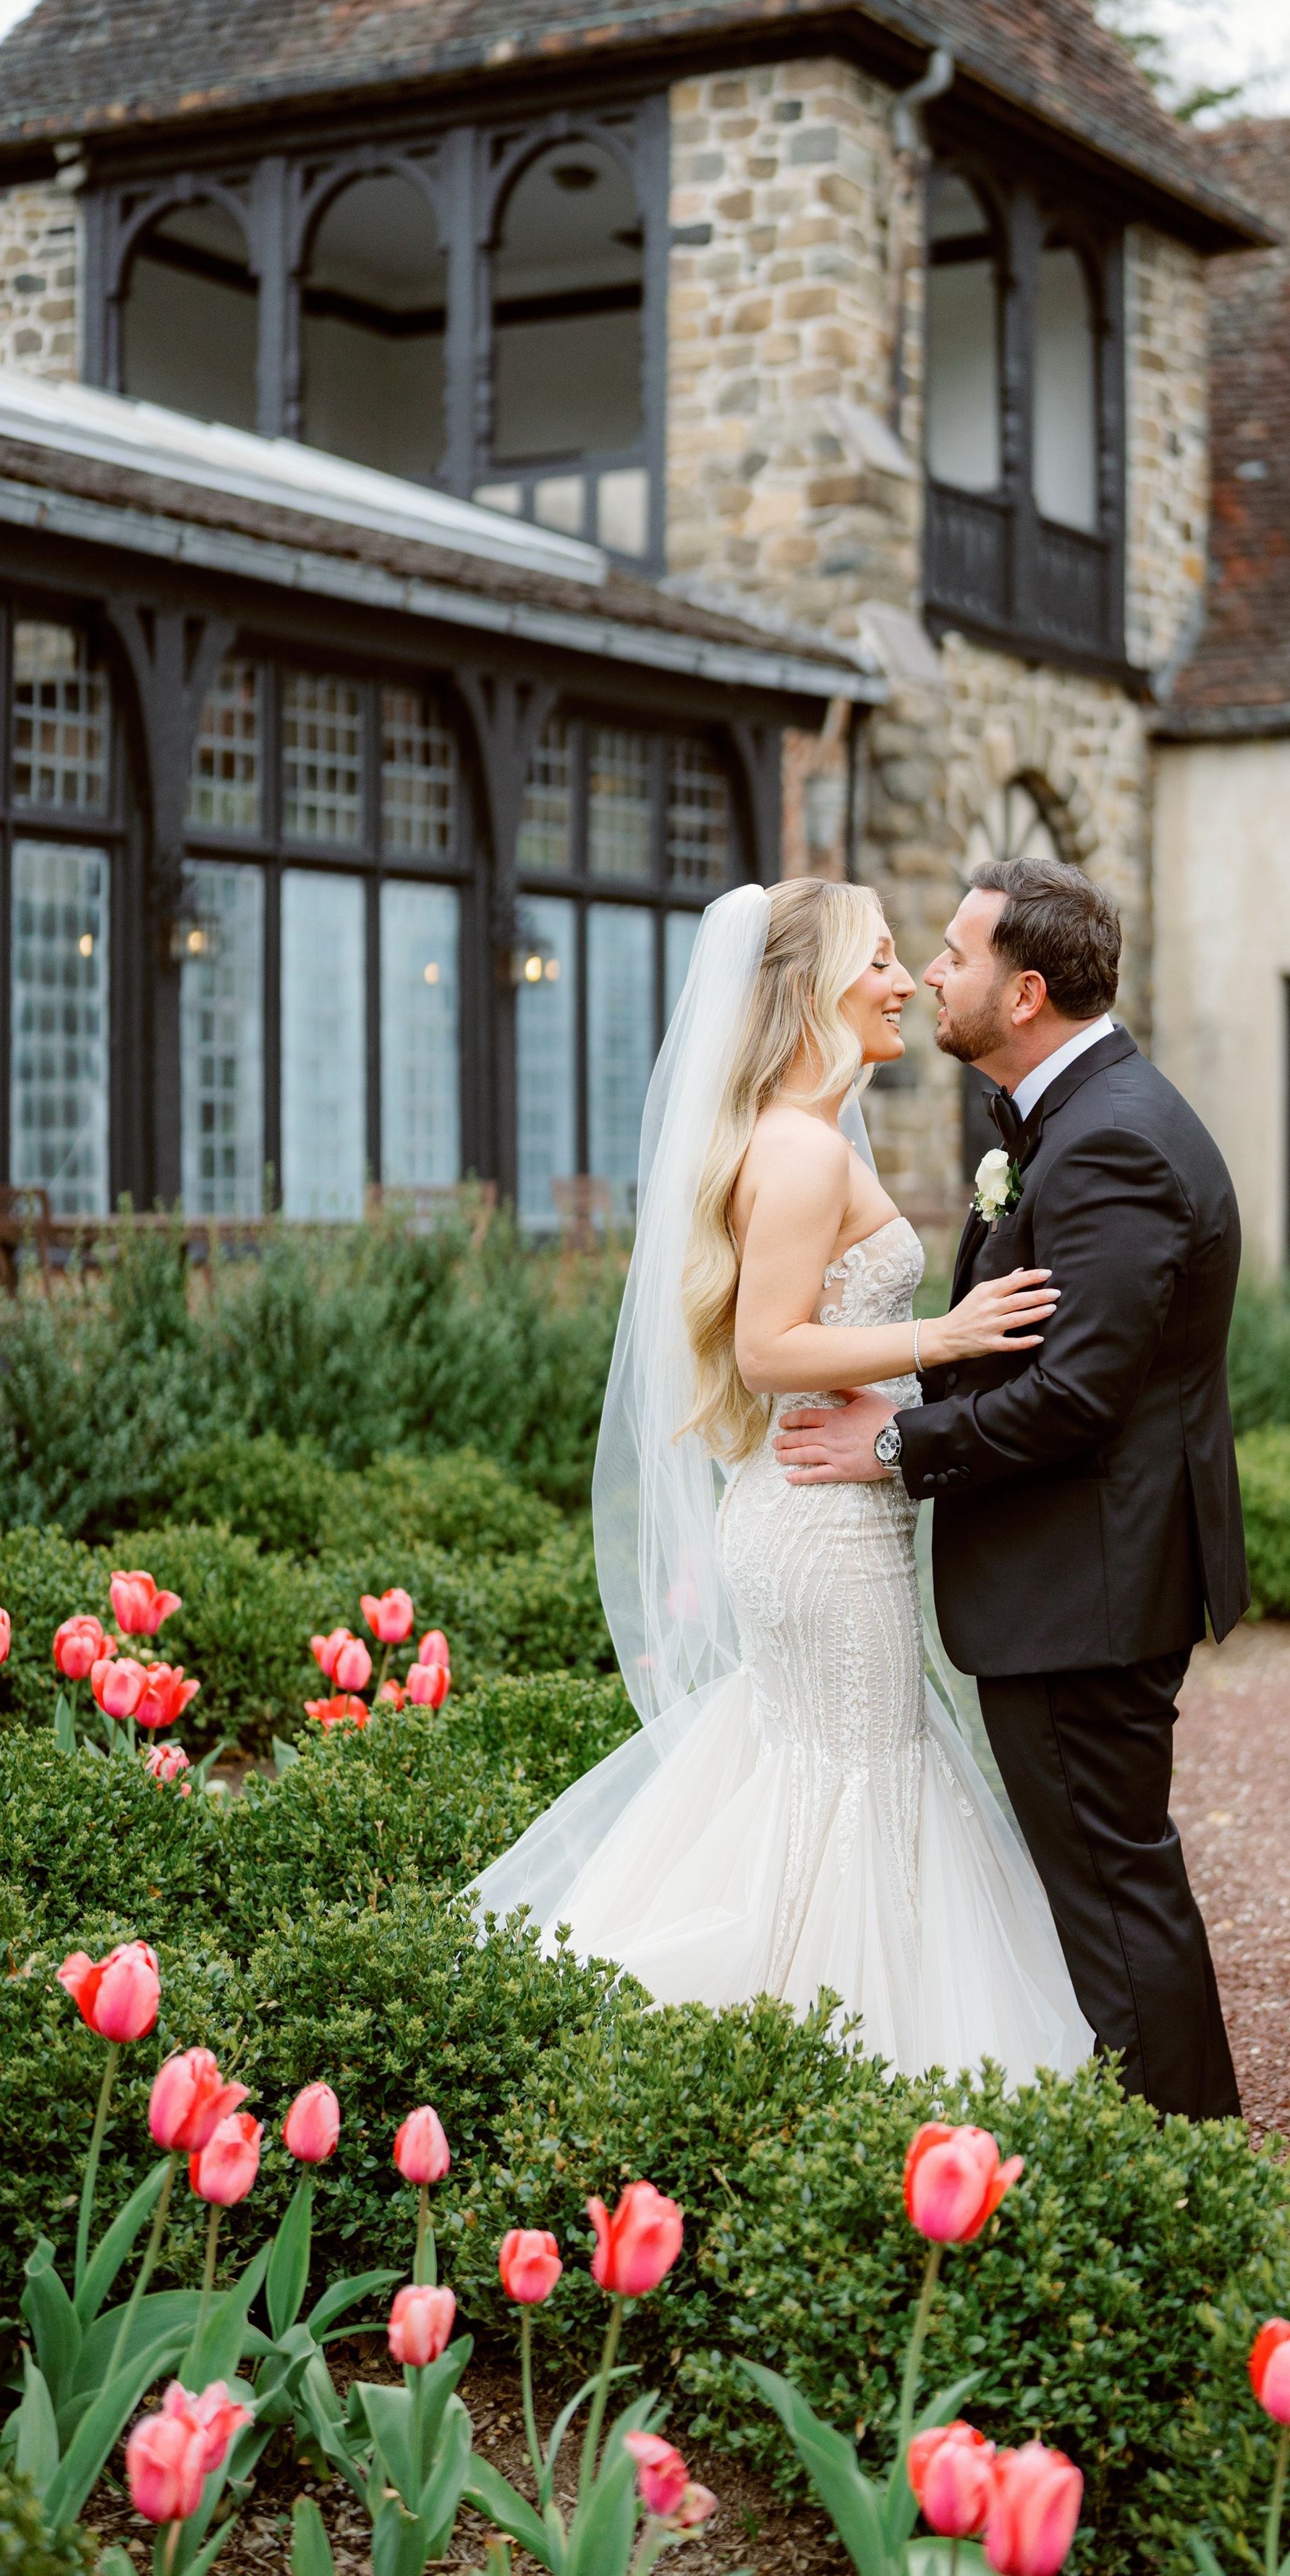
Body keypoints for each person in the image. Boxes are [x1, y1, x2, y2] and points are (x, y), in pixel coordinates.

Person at [467, 875, 1089, 2082]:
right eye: (881, 959)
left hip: (813, 1506)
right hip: (819, 1525)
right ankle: (835, 2061)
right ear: (811, 988)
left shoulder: (787, 1132)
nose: (905, 981)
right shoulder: (799, 1151)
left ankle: (788, 2049)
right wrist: (943, 1338)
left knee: (822, 1772)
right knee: (857, 1783)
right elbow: (767, 1350)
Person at [775, 858, 1247, 2122]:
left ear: (1026, 991)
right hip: (1079, 1576)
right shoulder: (1074, 1121)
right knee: (1109, 1882)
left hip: (1082, 1587)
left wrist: (894, 1443)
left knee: (1109, 1888)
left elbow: (1079, 1398)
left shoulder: (1110, 1146)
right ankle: (1172, 2155)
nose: (931, 971)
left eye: (954, 954)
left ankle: (1175, 2175)